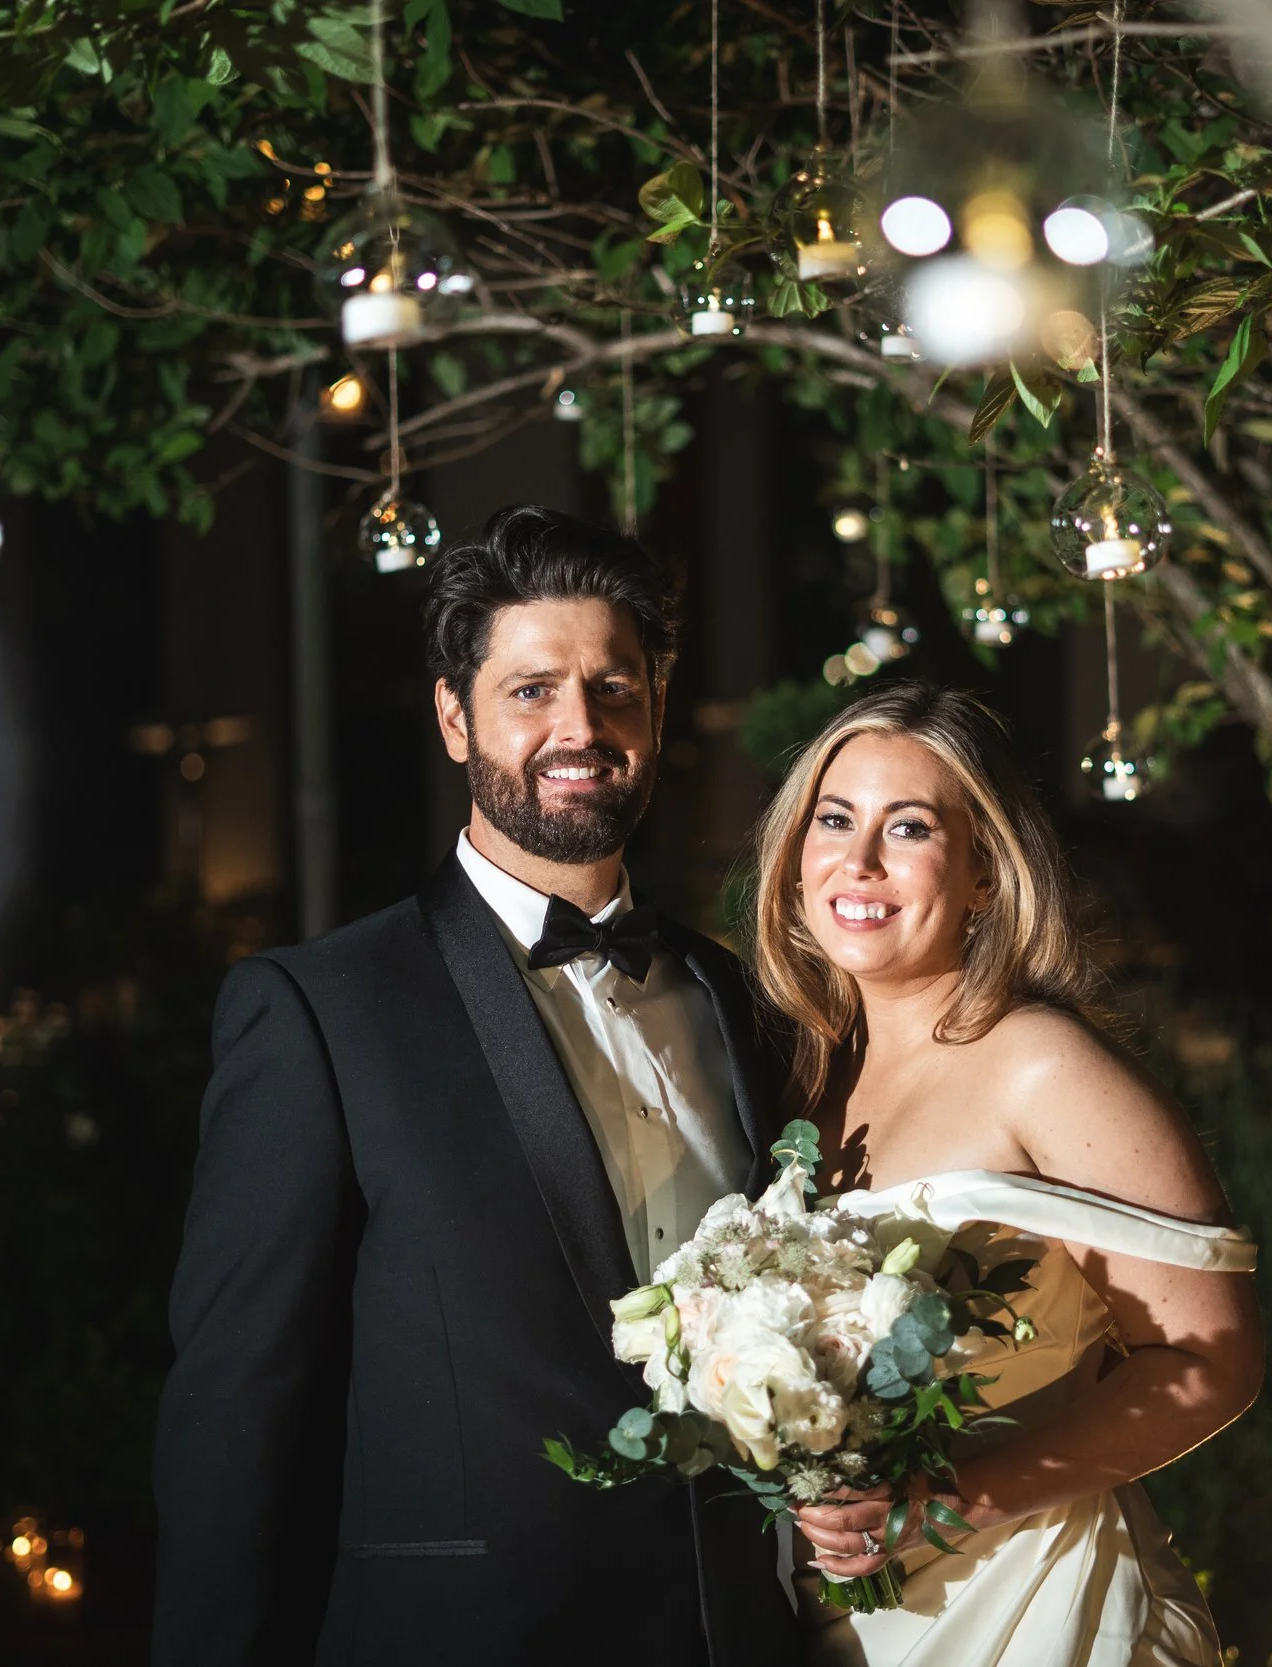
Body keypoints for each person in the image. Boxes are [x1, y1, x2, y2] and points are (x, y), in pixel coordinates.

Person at [152, 506, 800, 1667]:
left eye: (614, 688)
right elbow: (236, 1420)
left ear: (654, 710)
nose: (579, 726)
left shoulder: (737, 998)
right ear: (455, 718)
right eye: (531, 690)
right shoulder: (319, 1011)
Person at [755, 682, 1265, 1667]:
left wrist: (950, 1501)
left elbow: (1211, 1361)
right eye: (834, 818)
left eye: (907, 827)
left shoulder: (1043, 1065)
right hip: (847, 1620)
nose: (857, 861)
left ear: (985, 870)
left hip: (1038, 1606)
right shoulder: (801, 1079)